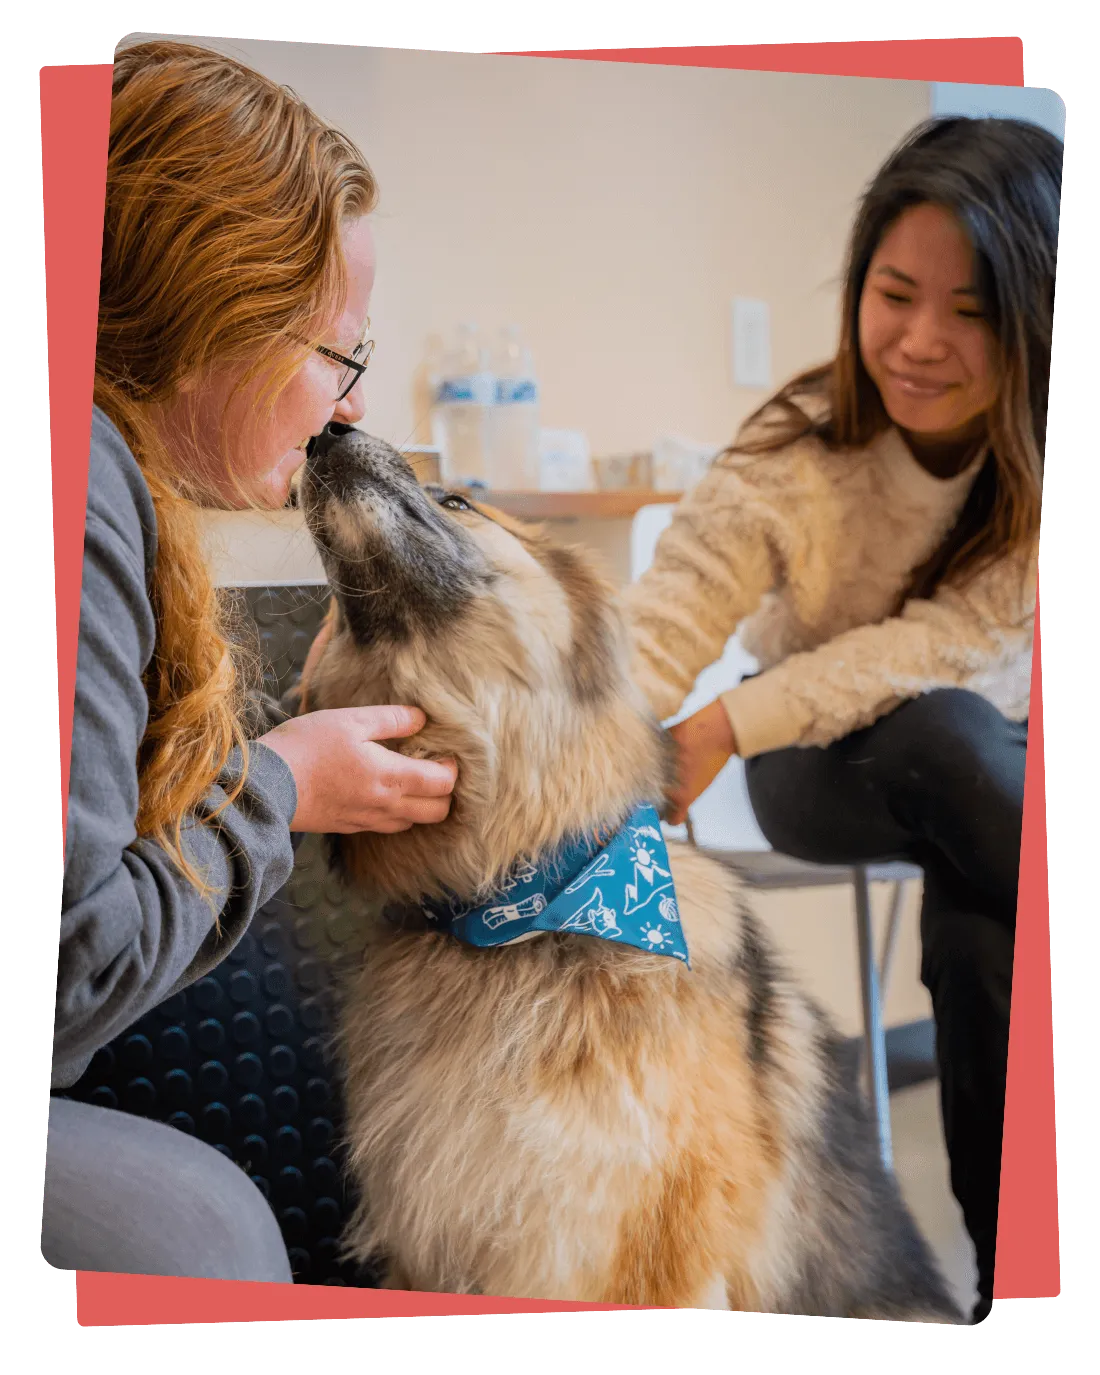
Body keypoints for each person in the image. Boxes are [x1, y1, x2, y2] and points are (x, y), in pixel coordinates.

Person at [623, 116, 1059, 1327]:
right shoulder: (798, 449)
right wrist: (623, 740)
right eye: (893, 293)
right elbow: (659, 626)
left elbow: (940, 646)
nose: (918, 342)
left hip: (980, 770)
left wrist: (720, 719)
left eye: (969, 310)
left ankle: (1010, 1282)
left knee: (982, 927)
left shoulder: (1029, 460)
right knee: (943, 738)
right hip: (816, 763)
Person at [46, 41, 457, 1282]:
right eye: (337, 353)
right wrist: (281, 782)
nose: (349, 405)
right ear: (219, 309)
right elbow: (73, 969)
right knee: (201, 1232)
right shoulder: (79, 485)